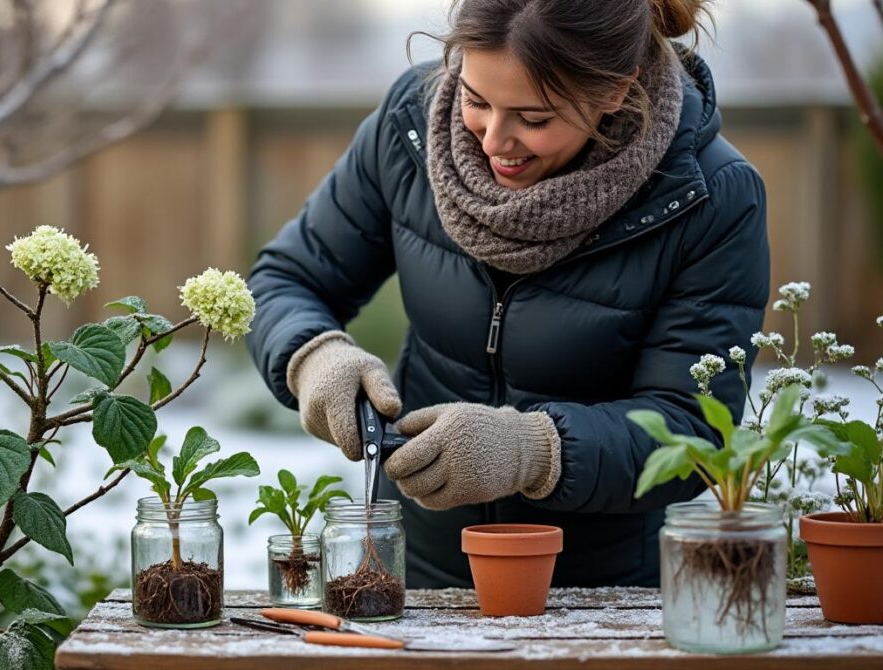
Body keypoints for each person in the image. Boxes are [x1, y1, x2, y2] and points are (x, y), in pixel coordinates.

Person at [245, 0, 769, 588]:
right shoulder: (410, 124)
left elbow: (691, 430)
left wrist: (534, 450)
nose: (495, 140)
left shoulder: (709, 195)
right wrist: (314, 355)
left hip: (597, 596)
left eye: (534, 118)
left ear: (616, 91)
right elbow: (287, 278)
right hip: (415, 573)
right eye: (476, 100)